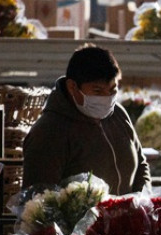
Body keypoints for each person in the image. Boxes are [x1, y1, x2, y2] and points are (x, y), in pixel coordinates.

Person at [23, 44, 150, 195]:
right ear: (72, 87)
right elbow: (40, 200)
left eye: (112, 89)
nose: (106, 98)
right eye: (97, 91)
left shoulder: (118, 114)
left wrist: (142, 199)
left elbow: (141, 164)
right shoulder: (49, 132)